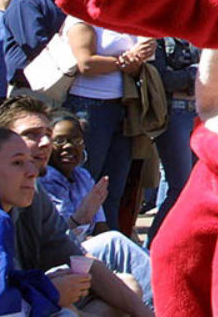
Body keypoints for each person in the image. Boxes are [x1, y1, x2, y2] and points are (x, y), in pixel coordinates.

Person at [0, 95, 153, 316]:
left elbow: (74, 254)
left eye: (48, 135)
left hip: (33, 298)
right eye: (31, 135)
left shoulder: (36, 191)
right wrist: (49, 291)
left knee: (125, 287)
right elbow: (0, 304)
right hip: (24, 304)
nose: (46, 143)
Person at [40, 111, 153, 307]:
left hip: (85, 253)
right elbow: (59, 238)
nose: (69, 147)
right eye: (60, 141)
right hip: (59, 258)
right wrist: (80, 218)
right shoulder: (45, 180)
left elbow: (101, 226)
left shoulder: (83, 176)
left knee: (127, 258)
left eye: (76, 140)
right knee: (114, 242)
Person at [63, 18, 155, 231]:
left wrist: (134, 62)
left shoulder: (125, 15)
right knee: (84, 181)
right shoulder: (80, 16)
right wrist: (125, 61)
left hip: (123, 107)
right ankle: (75, 242)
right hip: (88, 107)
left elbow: (138, 66)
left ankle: (109, 242)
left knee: (113, 188)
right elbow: (86, 63)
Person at [0, 126, 66, 316]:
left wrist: (42, 284)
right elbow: (0, 310)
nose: (32, 172)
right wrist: (50, 293)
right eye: (17, 163)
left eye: (31, 162)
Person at [146, 36, 199, 246]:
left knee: (193, 185)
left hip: (198, 113)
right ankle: (154, 243)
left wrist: (185, 77)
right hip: (171, 115)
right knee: (181, 186)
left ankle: (175, 241)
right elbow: (163, 79)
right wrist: (194, 74)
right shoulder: (158, 38)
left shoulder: (198, 34)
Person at [4, 0, 65, 88]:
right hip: (31, 86)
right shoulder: (26, 1)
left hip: (57, 82)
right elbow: (35, 45)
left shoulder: (60, 1)